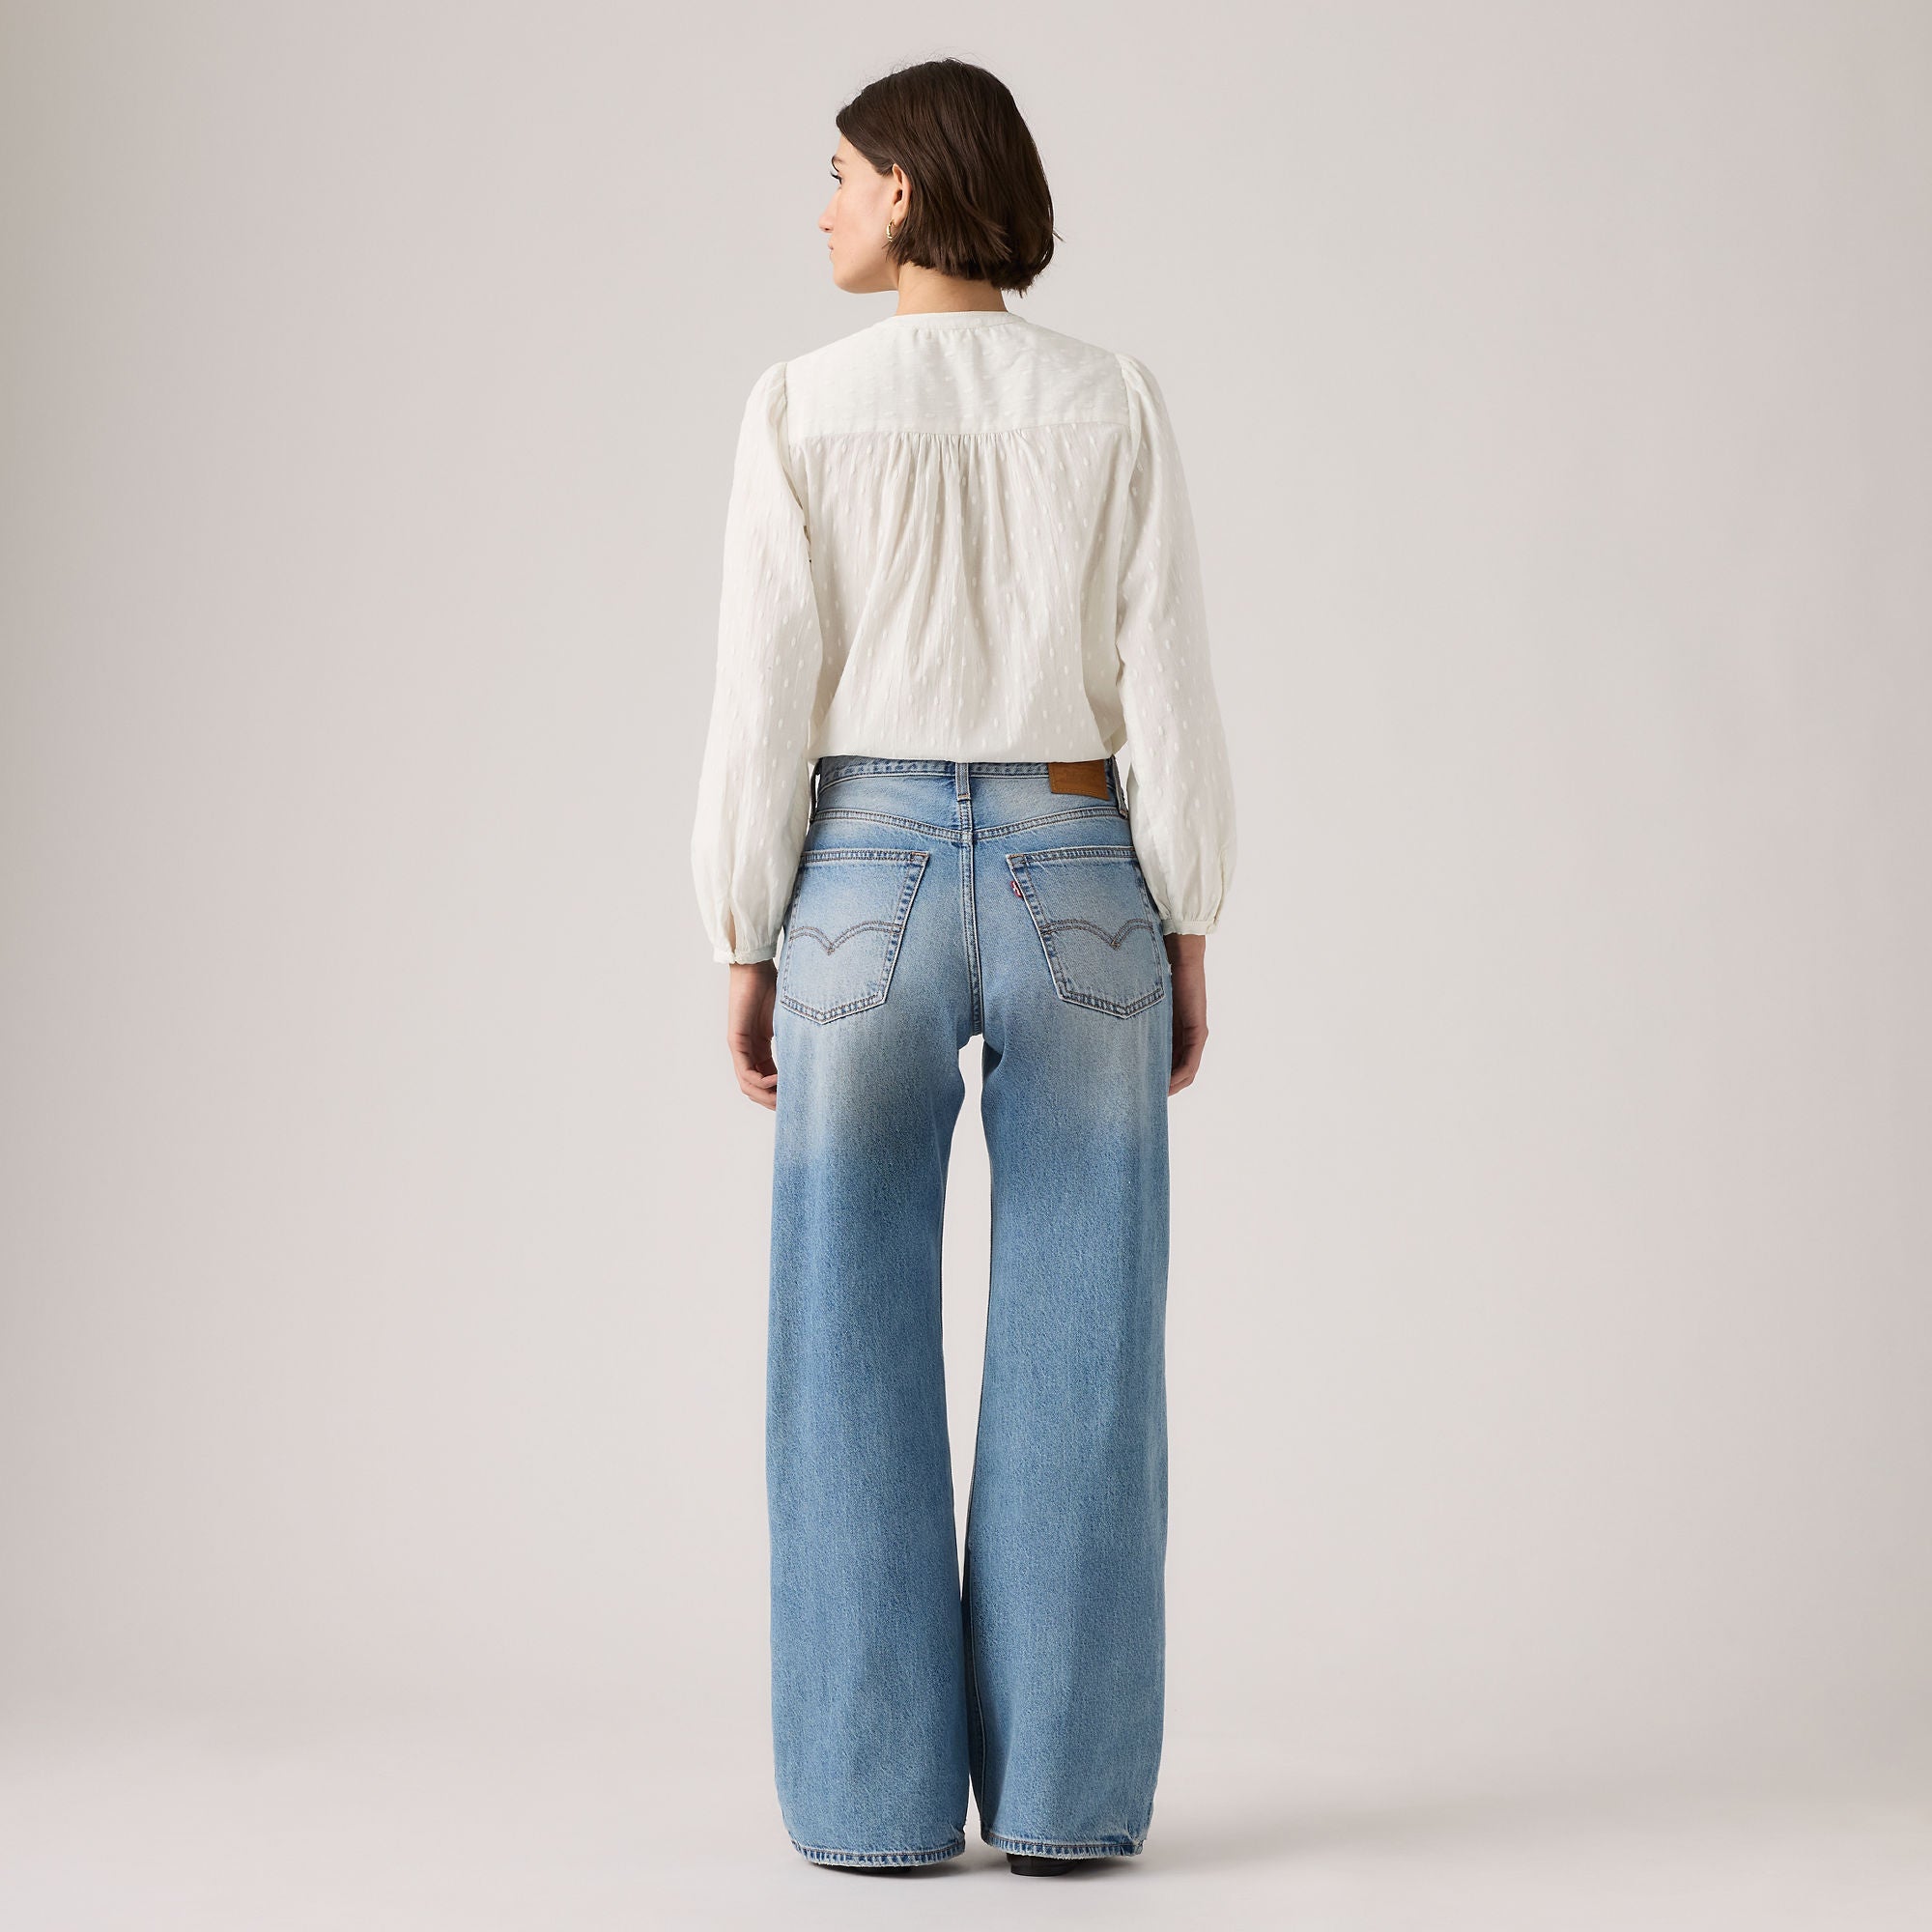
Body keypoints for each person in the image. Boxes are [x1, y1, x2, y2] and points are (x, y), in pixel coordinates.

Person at [690, 57, 1236, 1877]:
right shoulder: (1113, 399)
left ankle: (870, 1804)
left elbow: (762, 699)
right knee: (1090, 1341)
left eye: (843, 175)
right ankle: (1070, 1803)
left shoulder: (800, 405)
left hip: (862, 875)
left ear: (910, 191)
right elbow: (1169, 680)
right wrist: (1188, 915)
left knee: (840, 1338)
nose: (827, 206)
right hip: (1083, 857)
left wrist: (746, 931)